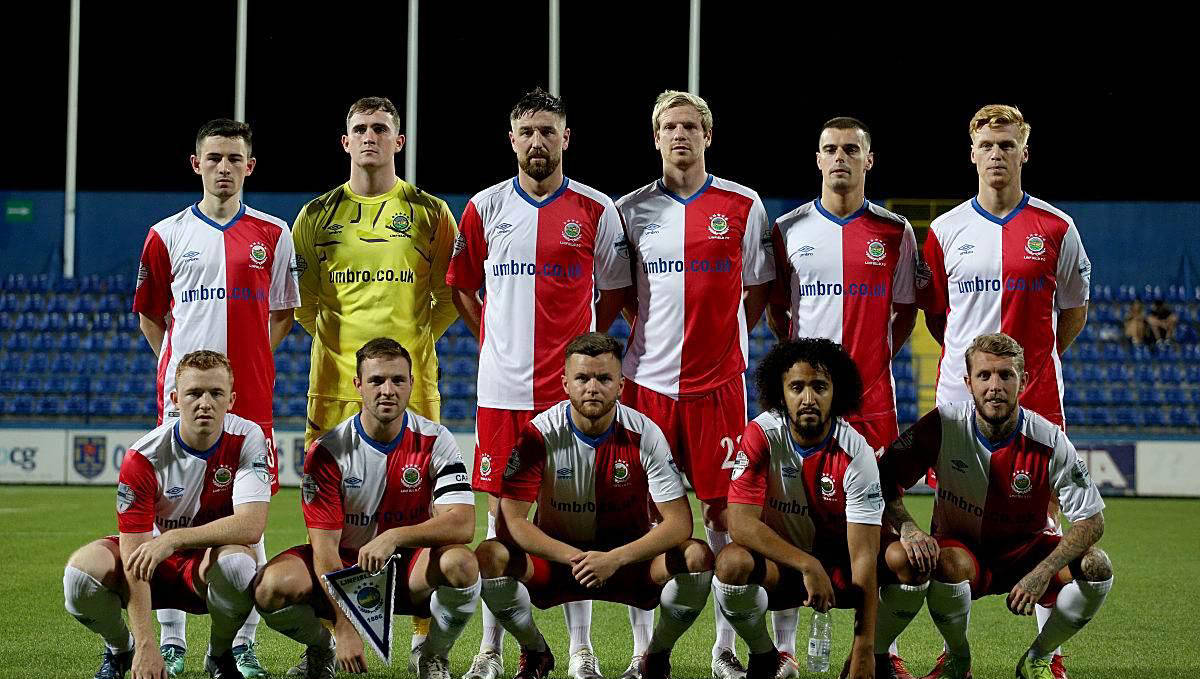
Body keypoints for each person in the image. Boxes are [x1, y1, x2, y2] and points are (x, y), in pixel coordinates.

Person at [446, 88, 632, 679]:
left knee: (573, 516)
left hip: (569, 396)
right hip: (502, 393)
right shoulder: (484, 207)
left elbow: (617, 291)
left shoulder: (597, 209)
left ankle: (580, 649)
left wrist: (583, 354)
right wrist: (493, 338)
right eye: (527, 131)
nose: (537, 141)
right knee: (500, 522)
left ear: (565, 138)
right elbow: (462, 285)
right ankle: (491, 650)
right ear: (512, 140)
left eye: (548, 131)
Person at [916, 105, 1092, 676]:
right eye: (988, 145)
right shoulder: (945, 231)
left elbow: (1073, 311)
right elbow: (938, 317)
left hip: (1035, 398)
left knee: (1047, 521)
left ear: (1024, 152)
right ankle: (954, 653)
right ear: (972, 154)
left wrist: (1032, 367)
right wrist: (975, 377)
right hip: (959, 401)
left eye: (1008, 144)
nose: (997, 154)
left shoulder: (1057, 227)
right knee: (951, 522)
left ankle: (1048, 655)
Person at [291, 95, 460, 669]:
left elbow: (447, 298)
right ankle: (331, 634)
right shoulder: (316, 216)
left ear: (398, 141)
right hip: (334, 387)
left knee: (421, 506)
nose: (370, 137)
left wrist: (411, 343)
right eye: (360, 128)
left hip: (413, 384)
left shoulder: (430, 212)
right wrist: (347, 354)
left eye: (381, 128)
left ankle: (422, 638)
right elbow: (304, 303)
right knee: (330, 520)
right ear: (346, 141)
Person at [615, 89, 774, 679]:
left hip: (719, 388)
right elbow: (621, 294)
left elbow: (758, 287)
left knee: (725, 515)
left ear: (708, 135)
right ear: (655, 137)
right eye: (669, 127)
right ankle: (642, 651)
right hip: (647, 386)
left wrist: (723, 338)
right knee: (643, 515)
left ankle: (723, 650)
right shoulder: (629, 210)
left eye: (690, 126)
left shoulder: (743, 204)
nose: (679, 135)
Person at [133, 119, 299, 678]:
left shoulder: (274, 233)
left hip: (250, 399)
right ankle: (171, 640)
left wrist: (247, 366)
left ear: (249, 166)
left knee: (250, 514)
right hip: (181, 403)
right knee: (169, 512)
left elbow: (283, 313)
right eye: (214, 158)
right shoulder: (166, 234)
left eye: (233, 159)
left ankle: (241, 643)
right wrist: (182, 378)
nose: (223, 168)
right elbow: (151, 317)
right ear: (196, 164)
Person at [765, 117, 917, 676]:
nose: (840, 158)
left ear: (868, 160)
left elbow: (905, 313)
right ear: (818, 158)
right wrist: (805, 375)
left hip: (872, 405)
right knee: (790, 514)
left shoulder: (895, 233)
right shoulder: (788, 228)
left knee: (877, 526)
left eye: (851, 149)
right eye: (830, 149)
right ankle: (784, 646)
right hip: (804, 406)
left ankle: (882, 650)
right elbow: (778, 311)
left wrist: (870, 365)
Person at [474, 332, 714, 679]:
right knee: (489, 556)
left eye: (604, 378)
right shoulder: (538, 434)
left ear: (621, 385)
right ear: (565, 384)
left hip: (629, 564)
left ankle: (656, 654)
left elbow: (679, 523)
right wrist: (575, 558)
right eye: (582, 378)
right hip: (559, 564)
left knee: (696, 557)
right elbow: (511, 520)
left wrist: (614, 558)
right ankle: (535, 649)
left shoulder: (645, 433)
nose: (592, 388)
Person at [874, 333, 1113, 679]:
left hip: (1028, 554)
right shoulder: (942, 425)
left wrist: (1044, 571)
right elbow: (883, 478)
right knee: (941, 561)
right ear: (968, 383)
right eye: (984, 375)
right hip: (964, 554)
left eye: (1005, 375)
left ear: (1023, 382)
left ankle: (1039, 658)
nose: (995, 386)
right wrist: (908, 528)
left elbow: (1091, 520)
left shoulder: (1049, 439)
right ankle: (957, 659)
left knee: (1096, 566)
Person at [253, 338, 479, 679]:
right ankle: (322, 648)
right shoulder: (328, 451)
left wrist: (394, 537)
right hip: (345, 565)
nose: (387, 390)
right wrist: (343, 627)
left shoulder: (436, 439)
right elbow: (324, 550)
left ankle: (433, 655)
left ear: (411, 384)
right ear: (358, 385)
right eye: (376, 381)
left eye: (398, 380)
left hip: (410, 570)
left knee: (461, 563)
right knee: (271, 586)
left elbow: (462, 523)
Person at [63, 350, 272, 679]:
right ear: (175, 399)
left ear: (231, 400)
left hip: (203, 565)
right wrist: (147, 644)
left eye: (216, 393)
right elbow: (134, 555)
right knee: (79, 577)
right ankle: (121, 649)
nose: (205, 403)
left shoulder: (248, 437)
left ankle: (219, 654)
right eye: (194, 393)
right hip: (152, 562)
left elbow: (251, 526)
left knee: (240, 566)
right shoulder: (143, 456)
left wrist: (173, 539)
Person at [714, 338, 885, 679]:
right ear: (781, 394)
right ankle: (764, 654)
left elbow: (864, 557)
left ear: (836, 393)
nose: (808, 398)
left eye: (819, 387)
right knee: (731, 564)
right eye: (797, 387)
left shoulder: (857, 452)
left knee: (901, 561)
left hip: (837, 571)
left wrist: (864, 649)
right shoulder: (762, 433)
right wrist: (807, 564)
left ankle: (885, 653)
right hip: (782, 568)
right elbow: (740, 524)